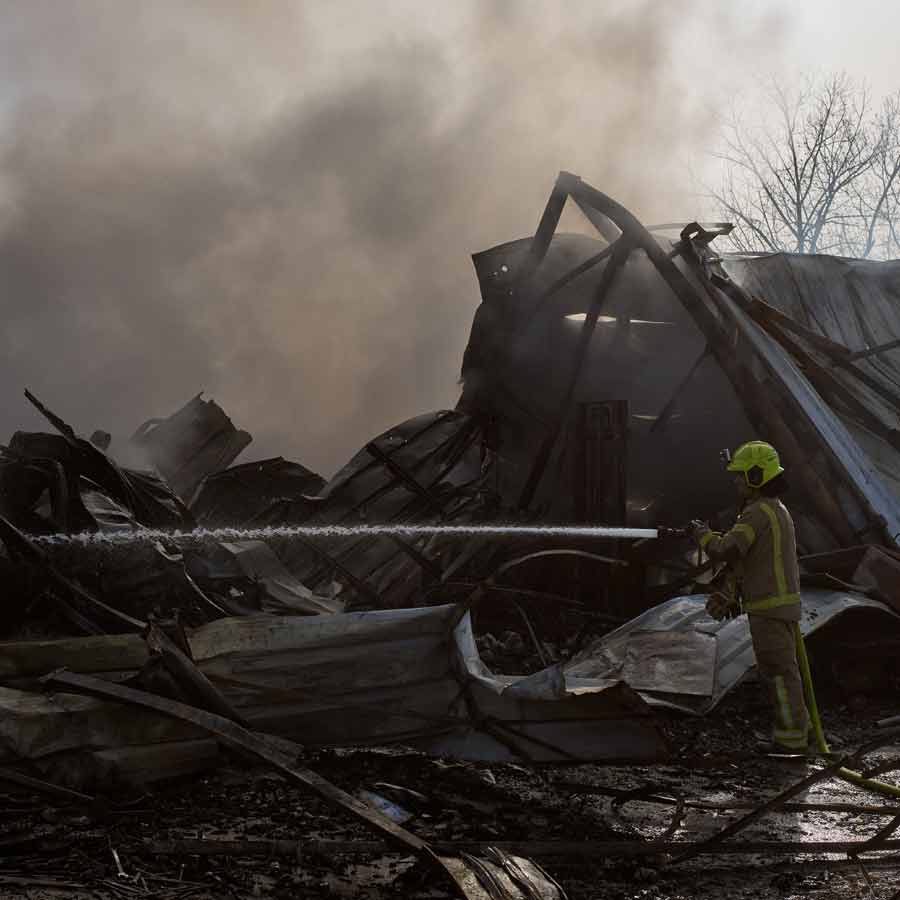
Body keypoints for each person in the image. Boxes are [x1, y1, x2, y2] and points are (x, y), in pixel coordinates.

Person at [691, 441, 810, 753]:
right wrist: (729, 590)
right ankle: (799, 732)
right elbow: (747, 559)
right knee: (784, 672)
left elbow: (727, 549)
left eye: (740, 475)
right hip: (777, 607)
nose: (735, 481)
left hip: (769, 608)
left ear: (757, 476)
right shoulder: (774, 509)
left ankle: (791, 741)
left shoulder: (757, 512)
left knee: (779, 675)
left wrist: (702, 535)